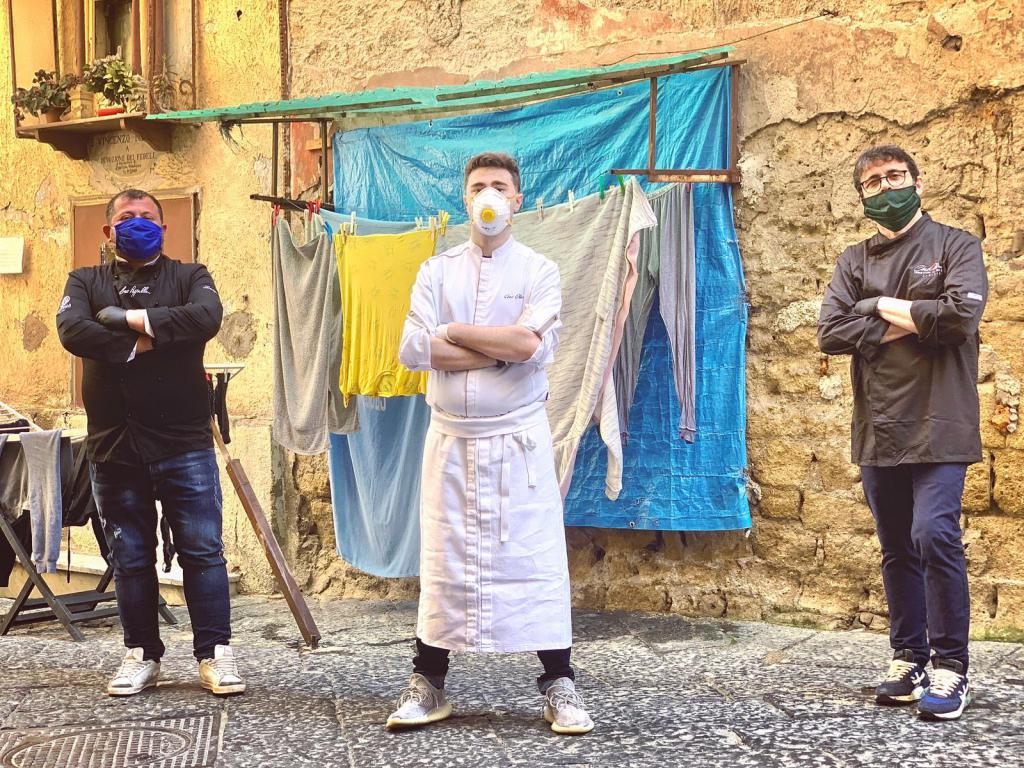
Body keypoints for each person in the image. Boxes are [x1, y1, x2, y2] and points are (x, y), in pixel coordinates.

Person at [392, 152, 593, 734]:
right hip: (451, 442)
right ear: (465, 199)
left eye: (499, 186)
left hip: (516, 444)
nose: (489, 195)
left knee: (534, 560)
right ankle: (428, 682)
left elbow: (529, 346)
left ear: (517, 199)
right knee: (445, 562)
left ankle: (559, 682)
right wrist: (496, 348)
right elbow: (413, 349)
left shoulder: (538, 270)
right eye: (478, 185)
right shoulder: (436, 272)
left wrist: (452, 332)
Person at [818, 145, 988, 721]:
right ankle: (909, 656)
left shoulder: (956, 245)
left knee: (933, 534)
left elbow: (958, 318)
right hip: (879, 424)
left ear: (918, 182)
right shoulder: (853, 260)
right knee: (896, 546)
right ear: (862, 196)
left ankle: (951, 666)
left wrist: (877, 306)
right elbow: (831, 333)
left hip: (942, 418)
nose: (886, 187)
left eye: (895, 176)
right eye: (873, 182)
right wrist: (916, 316)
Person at [56, 189, 244, 698]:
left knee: (202, 551)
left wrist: (124, 319)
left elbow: (205, 317)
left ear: (164, 228)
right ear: (108, 230)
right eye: (126, 216)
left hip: (185, 441)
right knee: (130, 555)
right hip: (113, 444)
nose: (137, 223)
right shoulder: (85, 281)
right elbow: (72, 330)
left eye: (147, 217)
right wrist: (146, 341)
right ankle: (141, 654)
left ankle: (215, 654)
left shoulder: (190, 276)